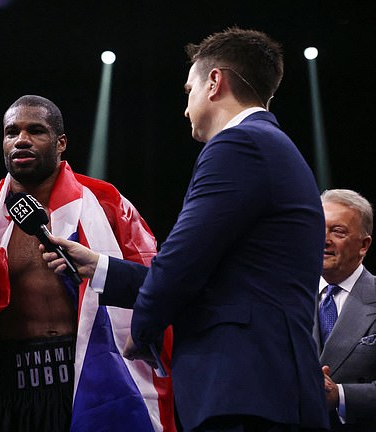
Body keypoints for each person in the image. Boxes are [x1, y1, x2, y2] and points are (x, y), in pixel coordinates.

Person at [42, 28, 330, 431]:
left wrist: (142, 330)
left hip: (245, 390)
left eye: (188, 89)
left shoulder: (238, 146)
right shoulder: (270, 145)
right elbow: (217, 279)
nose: (185, 108)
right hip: (266, 388)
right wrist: (100, 267)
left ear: (215, 83)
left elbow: (182, 262)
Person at [0, 95, 175, 432]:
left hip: (93, 381)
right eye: (11, 132)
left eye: (36, 131)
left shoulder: (107, 204)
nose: (21, 140)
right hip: (11, 392)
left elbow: (157, 283)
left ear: (61, 143)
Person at [315, 189, 376, 431]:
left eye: (338, 231)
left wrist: (339, 395)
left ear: (363, 245)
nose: (324, 239)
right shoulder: (286, 298)